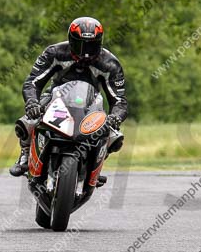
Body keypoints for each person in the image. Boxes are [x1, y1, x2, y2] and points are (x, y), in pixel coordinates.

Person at [9, 16, 128, 176]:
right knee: (27, 120)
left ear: (99, 42)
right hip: (55, 98)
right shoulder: (55, 52)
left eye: (91, 45)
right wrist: (32, 102)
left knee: (115, 135)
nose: (85, 53)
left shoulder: (110, 64)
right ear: (71, 41)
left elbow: (119, 100)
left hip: (92, 105)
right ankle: (25, 154)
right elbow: (32, 82)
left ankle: (95, 166)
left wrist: (115, 118)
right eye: (80, 44)